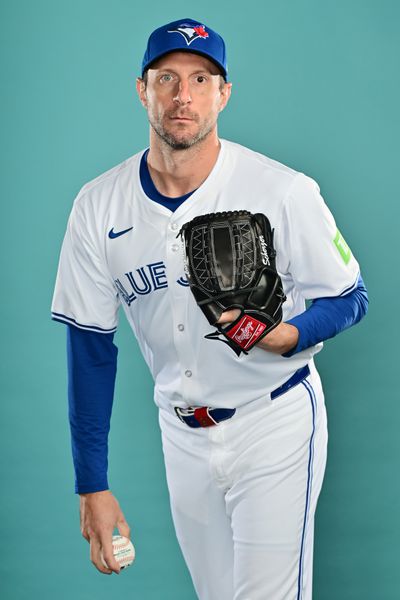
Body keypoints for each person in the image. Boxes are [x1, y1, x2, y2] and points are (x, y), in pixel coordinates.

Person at [51, 18, 368, 600]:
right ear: (141, 90)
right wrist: (90, 484)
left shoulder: (283, 190)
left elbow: (350, 297)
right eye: (166, 78)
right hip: (182, 435)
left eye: (201, 79)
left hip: (274, 419)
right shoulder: (98, 206)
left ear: (224, 94)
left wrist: (286, 335)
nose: (182, 96)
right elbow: (90, 349)